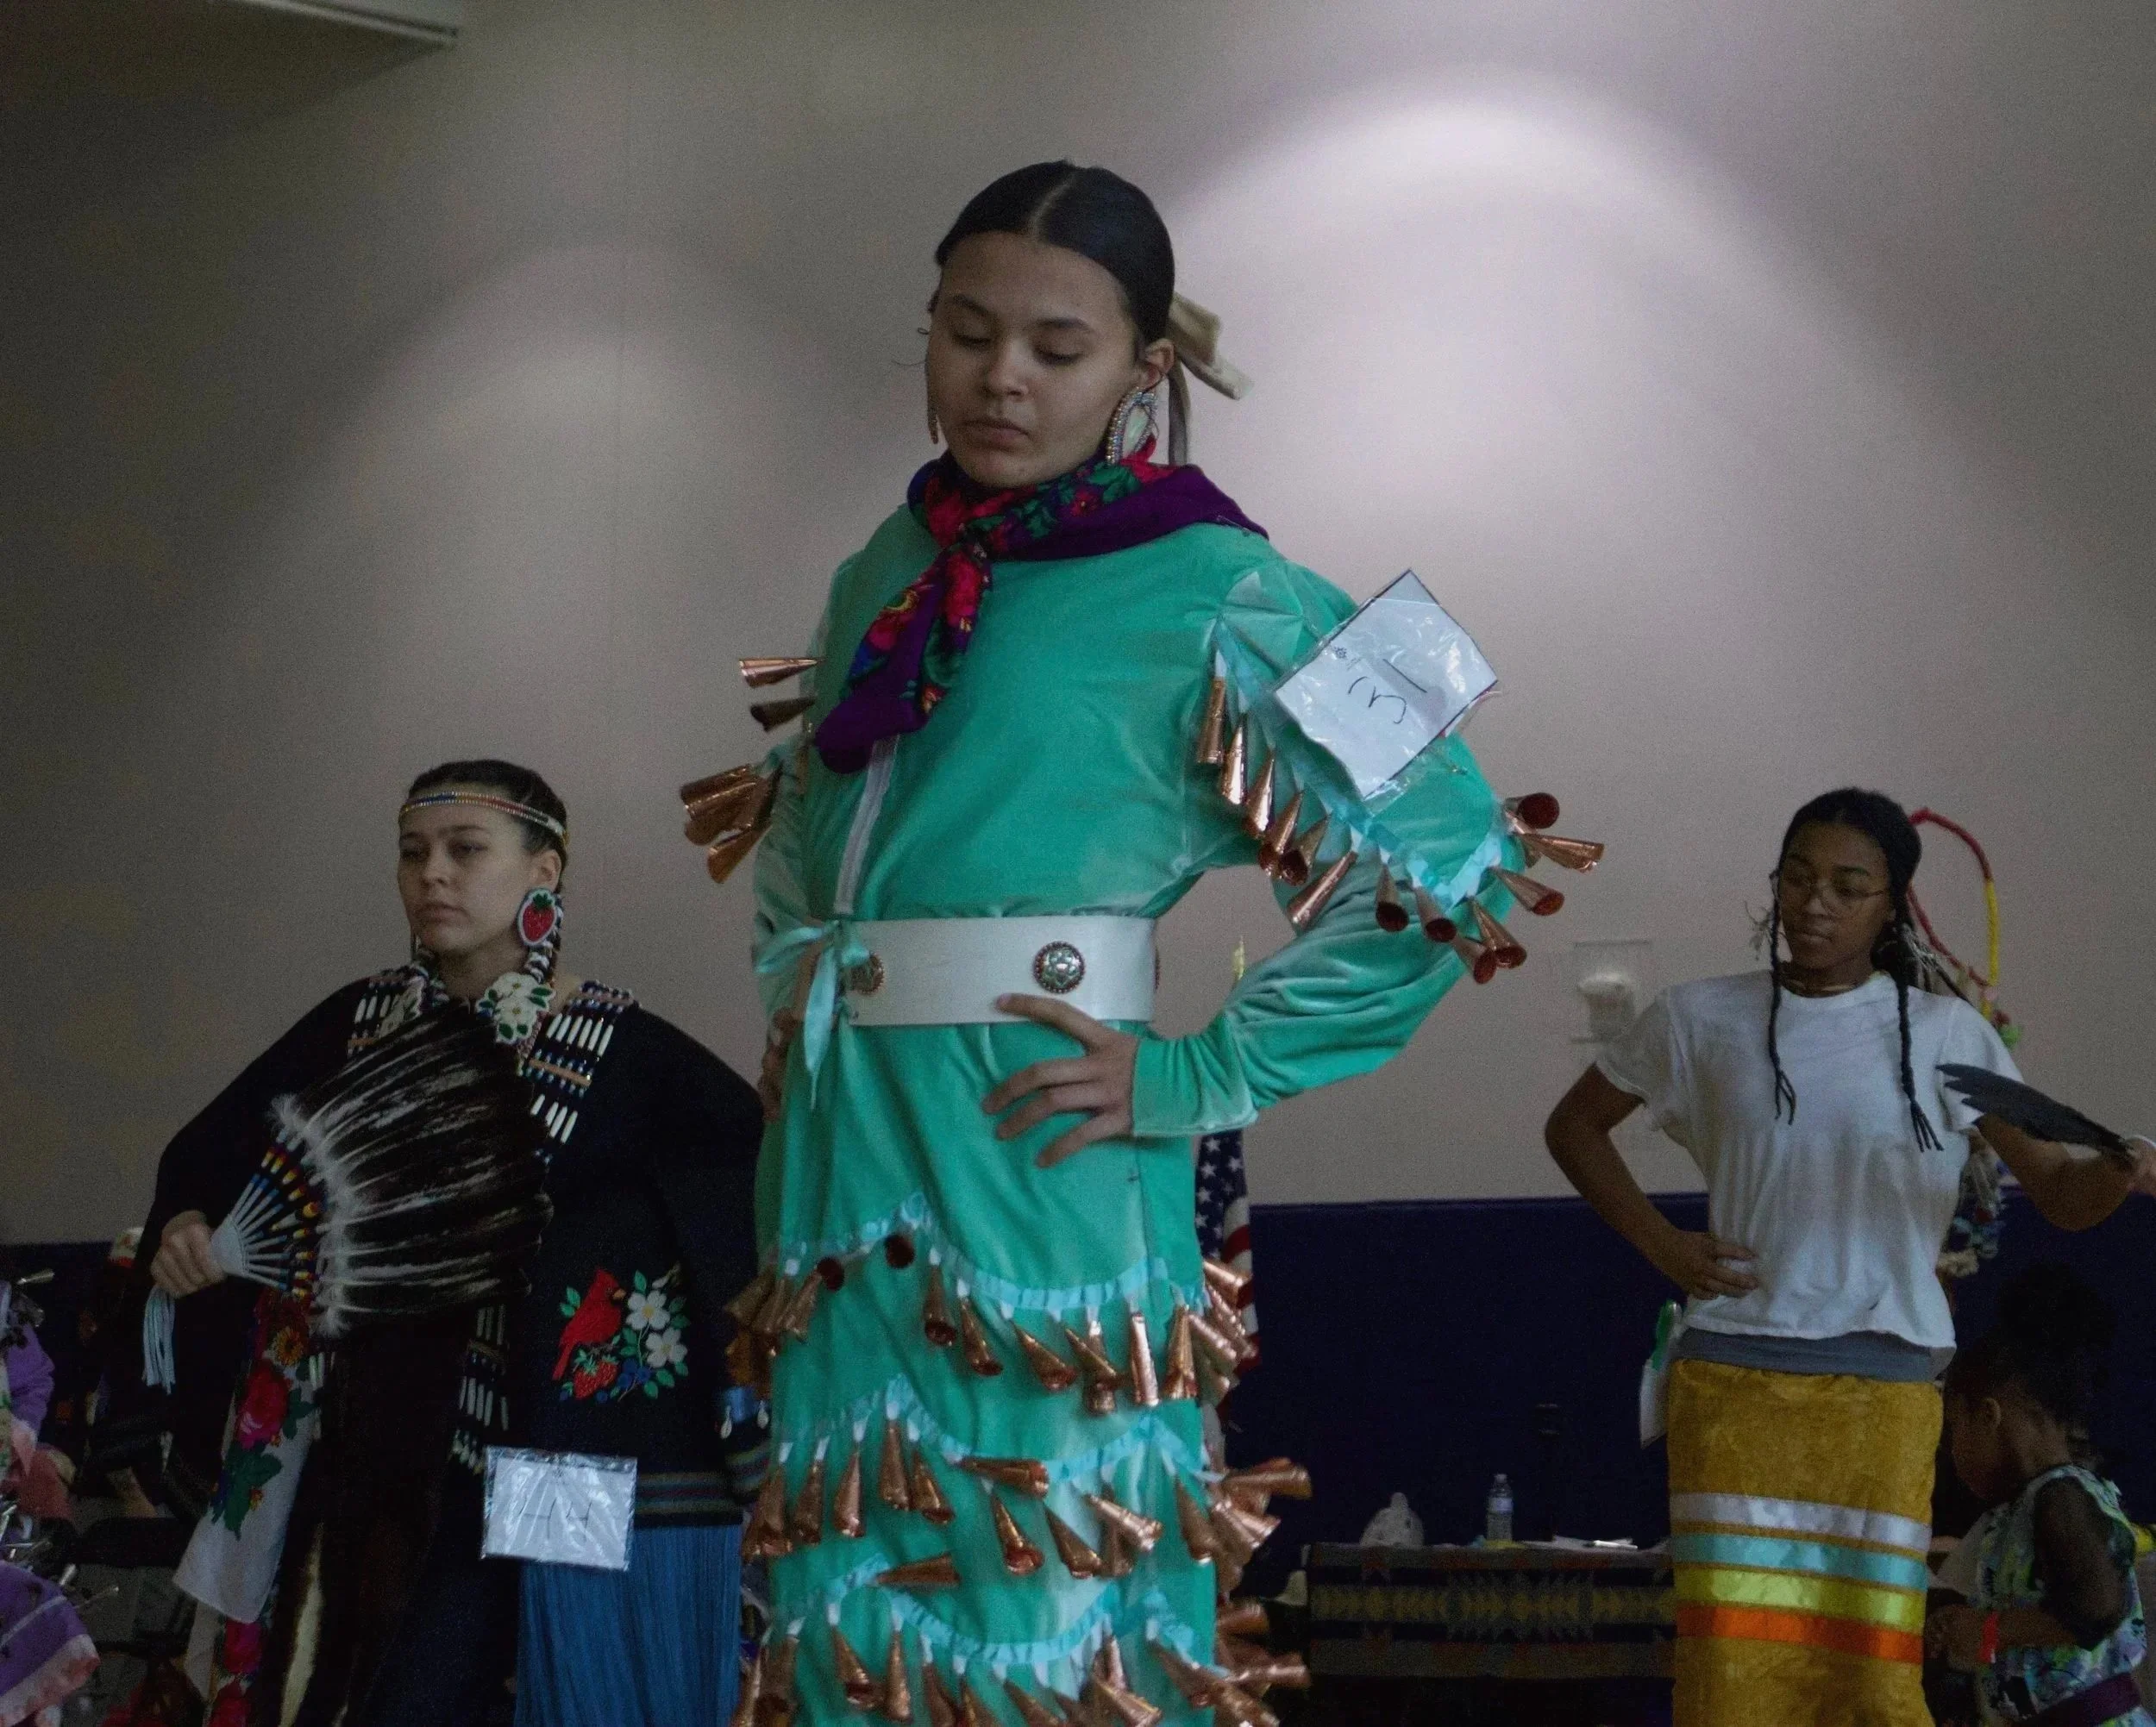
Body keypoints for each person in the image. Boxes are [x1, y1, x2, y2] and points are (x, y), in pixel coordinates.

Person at [712, 161, 1581, 1726]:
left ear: (1143, 373)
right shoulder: (881, 570)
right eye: (965, 332)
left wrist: (1204, 1073)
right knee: (850, 1593)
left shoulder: (1230, 585)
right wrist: (803, 981)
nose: (1002, 377)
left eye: (1057, 345)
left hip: (1039, 1144)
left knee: (1041, 1587)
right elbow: (801, 824)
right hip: (840, 1173)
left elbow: (1461, 858)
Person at [135, 760, 762, 1727]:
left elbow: (745, 1198)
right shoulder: (360, 1025)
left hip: (550, 1465)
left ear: (543, 869)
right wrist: (183, 1223)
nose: (434, 874)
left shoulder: (622, 1052)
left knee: (561, 1691)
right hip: (363, 1460)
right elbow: (208, 1157)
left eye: (466, 850)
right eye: (413, 852)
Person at [1544, 786, 2147, 1727]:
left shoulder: (1950, 1034)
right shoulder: (1696, 1017)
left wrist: (2118, 1173)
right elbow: (1574, 1126)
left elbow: (2063, 1193)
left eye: (1846, 883)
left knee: (1869, 1680)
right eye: (1795, 876)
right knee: (1732, 1678)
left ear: (1890, 904)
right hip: (1735, 1386)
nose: (1813, 901)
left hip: (1886, 1396)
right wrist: (1663, 1244)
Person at [1929, 1266, 2153, 1726]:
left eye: (1955, 1430)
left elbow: (2096, 1609)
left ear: (1988, 1416)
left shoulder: (2061, 1497)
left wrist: (1989, 1630)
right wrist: (1962, 1625)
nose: (1953, 1452)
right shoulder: (2020, 1509)